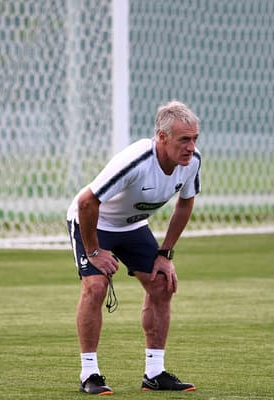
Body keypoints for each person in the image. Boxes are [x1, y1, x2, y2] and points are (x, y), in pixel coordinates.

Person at [66, 100, 200, 394]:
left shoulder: (191, 163)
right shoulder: (137, 161)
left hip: (131, 226)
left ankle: (154, 373)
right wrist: (94, 252)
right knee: (96, 287)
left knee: (163, 283)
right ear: (162, 138)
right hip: (92, 221)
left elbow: (185, 203)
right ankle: (89, 374)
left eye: (194, 139)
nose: (191, 147)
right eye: (184, 140)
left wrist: (165, 254)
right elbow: (87, 202)